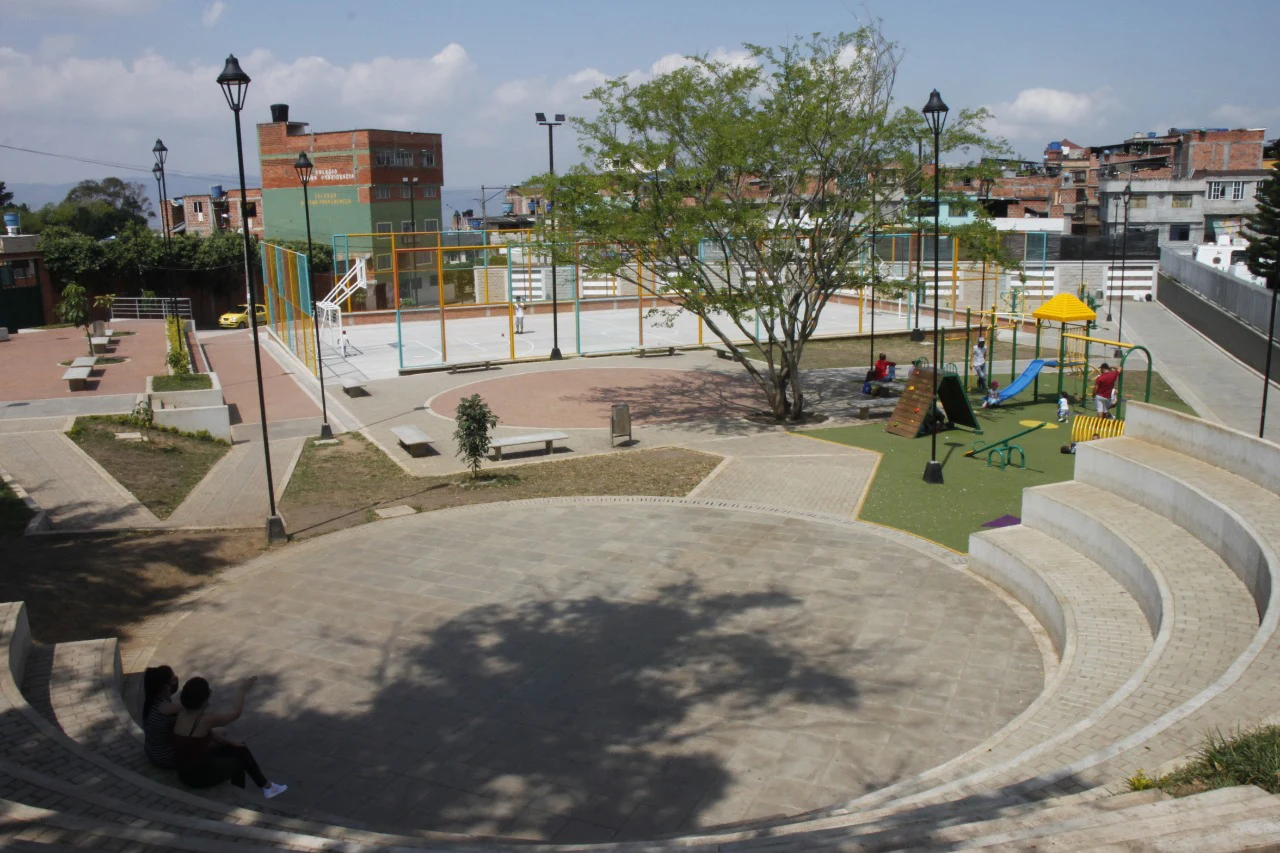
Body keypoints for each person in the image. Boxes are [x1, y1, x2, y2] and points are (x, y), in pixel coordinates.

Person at [171, 676, 286, 799]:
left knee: (234, 745)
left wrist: (232, 742)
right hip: (199, 777)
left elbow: (210, 734)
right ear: (206, 697)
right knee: (242, 754)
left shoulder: (181, 712)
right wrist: (242, 690)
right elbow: (235, 714)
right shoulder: (205, 720)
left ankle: (261, 786)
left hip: (183, 772)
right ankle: (265, 788)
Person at [142, 665, 180, 769]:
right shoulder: (168, 708)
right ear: (165, 686)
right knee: (218, 733)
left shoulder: (151, 701)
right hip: (165, 757)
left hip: (151, 751)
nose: (176, 678)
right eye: (173, 677)